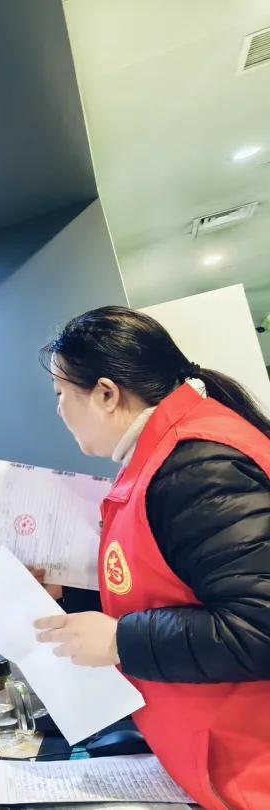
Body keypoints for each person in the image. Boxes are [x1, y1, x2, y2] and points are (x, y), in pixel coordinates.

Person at [33, 306, 270, 810]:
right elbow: (169, 585)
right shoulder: (162, 455)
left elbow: (260, 626)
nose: (58, 411)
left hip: (252, 767)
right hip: (216, 758)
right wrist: (70, 593)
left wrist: (120, 640)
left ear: (106, 393)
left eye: (60, 394)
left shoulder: (198, 465)